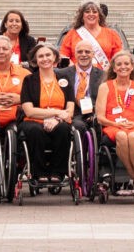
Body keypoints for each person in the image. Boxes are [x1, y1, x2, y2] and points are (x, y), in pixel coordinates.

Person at [18, 44, 85, 184]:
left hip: (59, 121)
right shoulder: (29, 80)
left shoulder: (64, 78)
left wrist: (58, 119)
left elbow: (70, 109)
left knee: (63, 129)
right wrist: (56, 113)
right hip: (34, 120)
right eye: (40, 56)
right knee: (35, 131)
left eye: (48, 55)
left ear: (55, 57)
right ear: (35, 60)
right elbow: (29, 110)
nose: (45, 59)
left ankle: (58, 172)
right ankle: (38, 172)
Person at [96, 50, 134, 194]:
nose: (123, 67)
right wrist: (117, 124)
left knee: (133, 136)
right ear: (114, 68)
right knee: (122, 135)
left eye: (126, 64)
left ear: (132, 67)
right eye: (119, 64)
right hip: (113, 126)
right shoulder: (105, 87)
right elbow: (100, 117)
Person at [58, 0, 125, 65]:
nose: (91, 14)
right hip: (77, 74)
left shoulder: (111, 34)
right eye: (87, 12)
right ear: (82, 16)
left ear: (99, 16)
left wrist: (108, 71)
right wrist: (74, 70)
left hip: (104, 74)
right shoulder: (72, 34)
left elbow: (118, 57)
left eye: (94, 12)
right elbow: (64, 56)